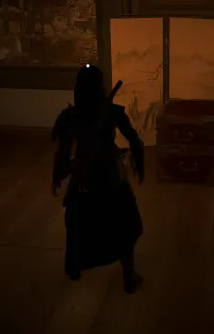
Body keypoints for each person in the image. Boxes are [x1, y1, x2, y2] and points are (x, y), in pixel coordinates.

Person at [51, 64, 145, 294]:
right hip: (108, 175)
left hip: (84, 176)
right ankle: (129, 275)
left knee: (78, 222)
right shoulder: (111, 113)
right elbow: (134, 140)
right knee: (124, 225)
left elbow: (63, 151)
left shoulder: (70, 116)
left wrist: (59, 174)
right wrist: (139, 162)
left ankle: (75, 268)